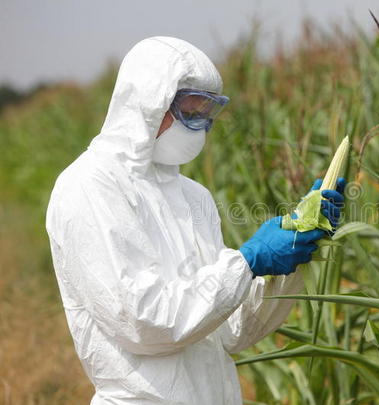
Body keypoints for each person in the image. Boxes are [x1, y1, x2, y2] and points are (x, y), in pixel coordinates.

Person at [45, 36, 346, 405]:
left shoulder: (192, 195)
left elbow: (230, 330)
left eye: (208, 113)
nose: (200, 125)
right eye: (191, 111)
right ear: (148, 103)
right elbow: (141, 322)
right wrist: (247, 261)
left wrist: (290, 253)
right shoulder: (89, 186)